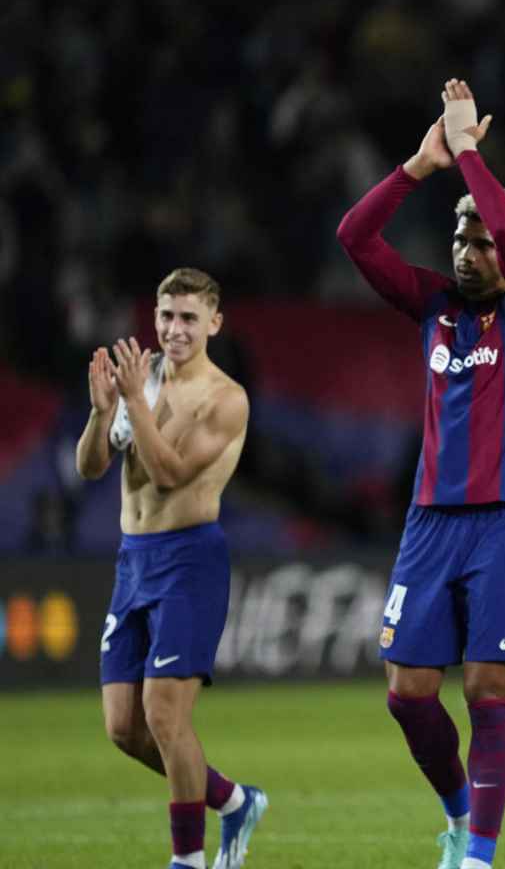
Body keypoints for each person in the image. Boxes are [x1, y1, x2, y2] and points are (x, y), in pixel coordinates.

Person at [337, 78, 505, 869]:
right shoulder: (435, 306)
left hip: (504, 517)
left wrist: (470, 152)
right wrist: (419, 166)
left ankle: (479, 856)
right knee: (407, 694)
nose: (468, 251)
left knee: (488, 692)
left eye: (481, 240)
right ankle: (459, 812)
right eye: (460, 240)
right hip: (429, 521)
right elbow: (355, 238)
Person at [76, 267, 267, 869]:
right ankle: (234, 801)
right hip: (133, 561)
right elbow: (90, 467)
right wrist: (100, 412)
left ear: (214, 322)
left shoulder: (225, 398)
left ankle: (186, 859)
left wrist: (134, 399)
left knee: (164, 714)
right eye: (165, 316)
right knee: (124, 729)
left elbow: (168, 474)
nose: (174, 329)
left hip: (190, 561)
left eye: (188, 317)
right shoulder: (143, 378)